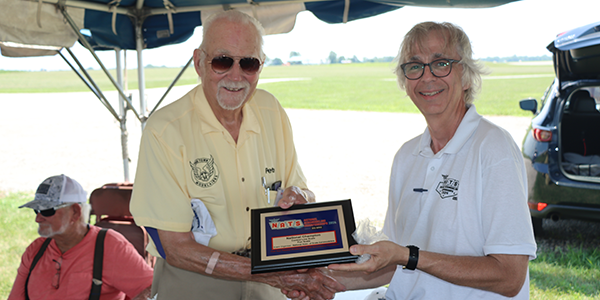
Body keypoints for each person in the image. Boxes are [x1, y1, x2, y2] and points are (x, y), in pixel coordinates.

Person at [284, 21, 538, 300]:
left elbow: (510, 276)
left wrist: (410, 256)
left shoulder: (493, 148)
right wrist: (321, 282)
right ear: (405, 82)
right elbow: (394, 265)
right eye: (414, 66)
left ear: (466, 77)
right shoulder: (407, 156)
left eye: (441, 63)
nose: (427, 77)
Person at [129, 9, 344, 300]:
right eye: (222, 61)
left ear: (260, 66)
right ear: (198, 63)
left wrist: (298, 196)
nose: (236, 75)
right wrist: (270, 273)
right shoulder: (165, 130)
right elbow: (176, 248)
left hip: (270, 277)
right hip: (196, 279)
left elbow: (301, 189)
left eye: (249, 64)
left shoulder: (271, 111)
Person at [8, 174, 153, 300]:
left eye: (47, 211)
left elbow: (153, 289)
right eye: (36, 211)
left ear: (75, 212)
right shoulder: (36, 250)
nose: (38, 219)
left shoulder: (110, 247)